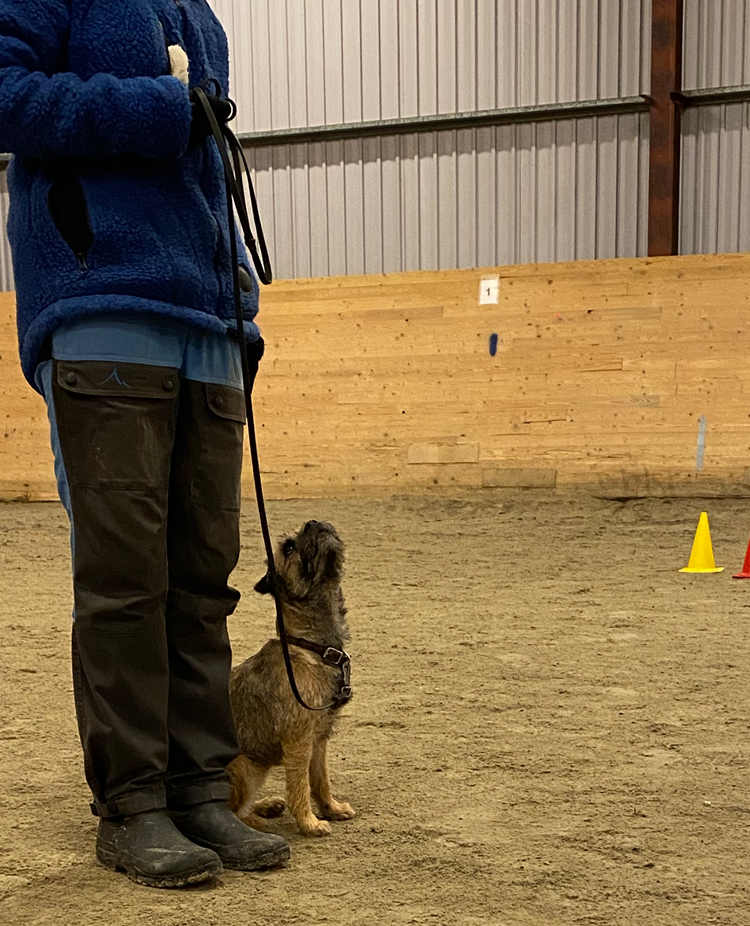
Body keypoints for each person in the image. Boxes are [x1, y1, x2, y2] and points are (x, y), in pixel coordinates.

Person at [0, 0, 290, 888]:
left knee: (202, 578)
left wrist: (234, 290)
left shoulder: (201, 16)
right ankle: (132, 805)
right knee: (126, 580)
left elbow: (203, 164)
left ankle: (199, 787)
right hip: (104, 305)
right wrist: (155, 106)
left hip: (206, 320)